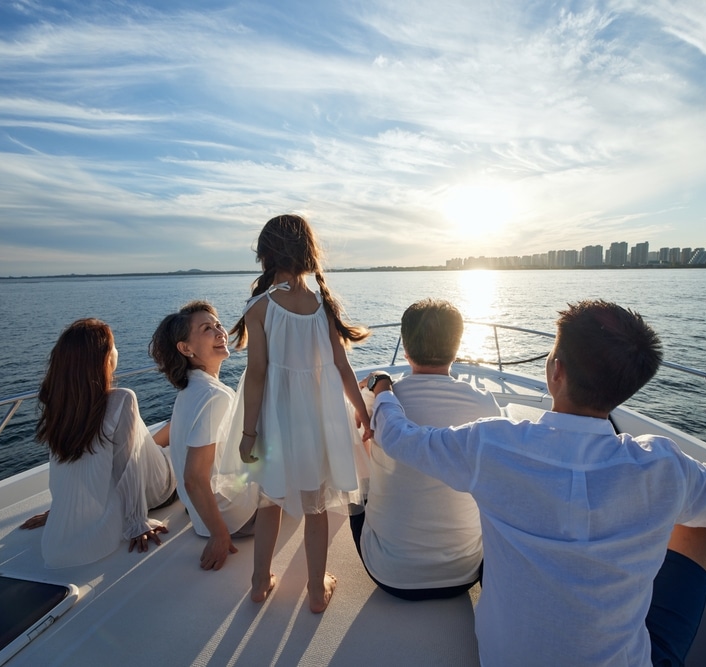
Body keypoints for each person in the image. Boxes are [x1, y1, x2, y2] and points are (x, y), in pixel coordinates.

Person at [366, 299, 706, 666]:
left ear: (555, 370)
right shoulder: (665, 466)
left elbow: (401, 438)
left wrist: (383, 388)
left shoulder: (492, 445)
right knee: (700, 517)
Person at [228, 213, 371, 613]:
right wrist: (361, 412)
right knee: (317, 504)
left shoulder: (259, 307)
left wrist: (248, 433)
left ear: (266, 254)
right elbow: (343, 368)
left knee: (269, 499)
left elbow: (256, 374)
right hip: (316, 421)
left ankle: (259, 582)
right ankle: (314, 589)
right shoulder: (321, 303)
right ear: (308, 252)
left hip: (274, 419)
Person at [352, 298, 501, 600]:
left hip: (390, 574)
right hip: (465, 572)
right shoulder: (485, 405)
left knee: (359, 480)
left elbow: (356, 449)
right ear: (456, 348)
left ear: (405, 349)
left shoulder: (378, 399)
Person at [21, 319, 177, 569]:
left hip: (142, 466)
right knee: (177, 442)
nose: (117, 352)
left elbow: (60, 469)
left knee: (158, 441)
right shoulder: (122, 399)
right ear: (103, 358)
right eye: (113, 347)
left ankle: (171, 429)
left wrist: (59, 511)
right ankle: (175, 426)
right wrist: (136, 522)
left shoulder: (59, 405)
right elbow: (129, 468)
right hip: (158, 488)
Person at [149, 301, 259, 571]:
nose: (220, 332)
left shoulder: (190, 391)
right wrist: (220, 535)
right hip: (235, 520)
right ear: (186, 349)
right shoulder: (214, 396)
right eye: (207, 329)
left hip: (202, 517)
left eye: (218, 325)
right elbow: (194, 477)